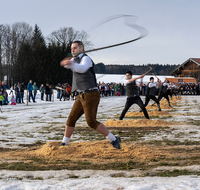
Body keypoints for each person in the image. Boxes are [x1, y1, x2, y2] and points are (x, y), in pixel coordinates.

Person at [60, 40, 120, 149]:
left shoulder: (86, 59)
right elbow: (67, 65)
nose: (72, 50)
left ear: (81, 49)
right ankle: (65, 143)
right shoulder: (74, 59)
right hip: (80, 95)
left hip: (91, 94)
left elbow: (82, 69)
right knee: (71, 119)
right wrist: (67, 62)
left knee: (91, 122)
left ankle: (114, 139)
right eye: (71, 48)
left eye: (75, 48)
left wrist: (70, 63)